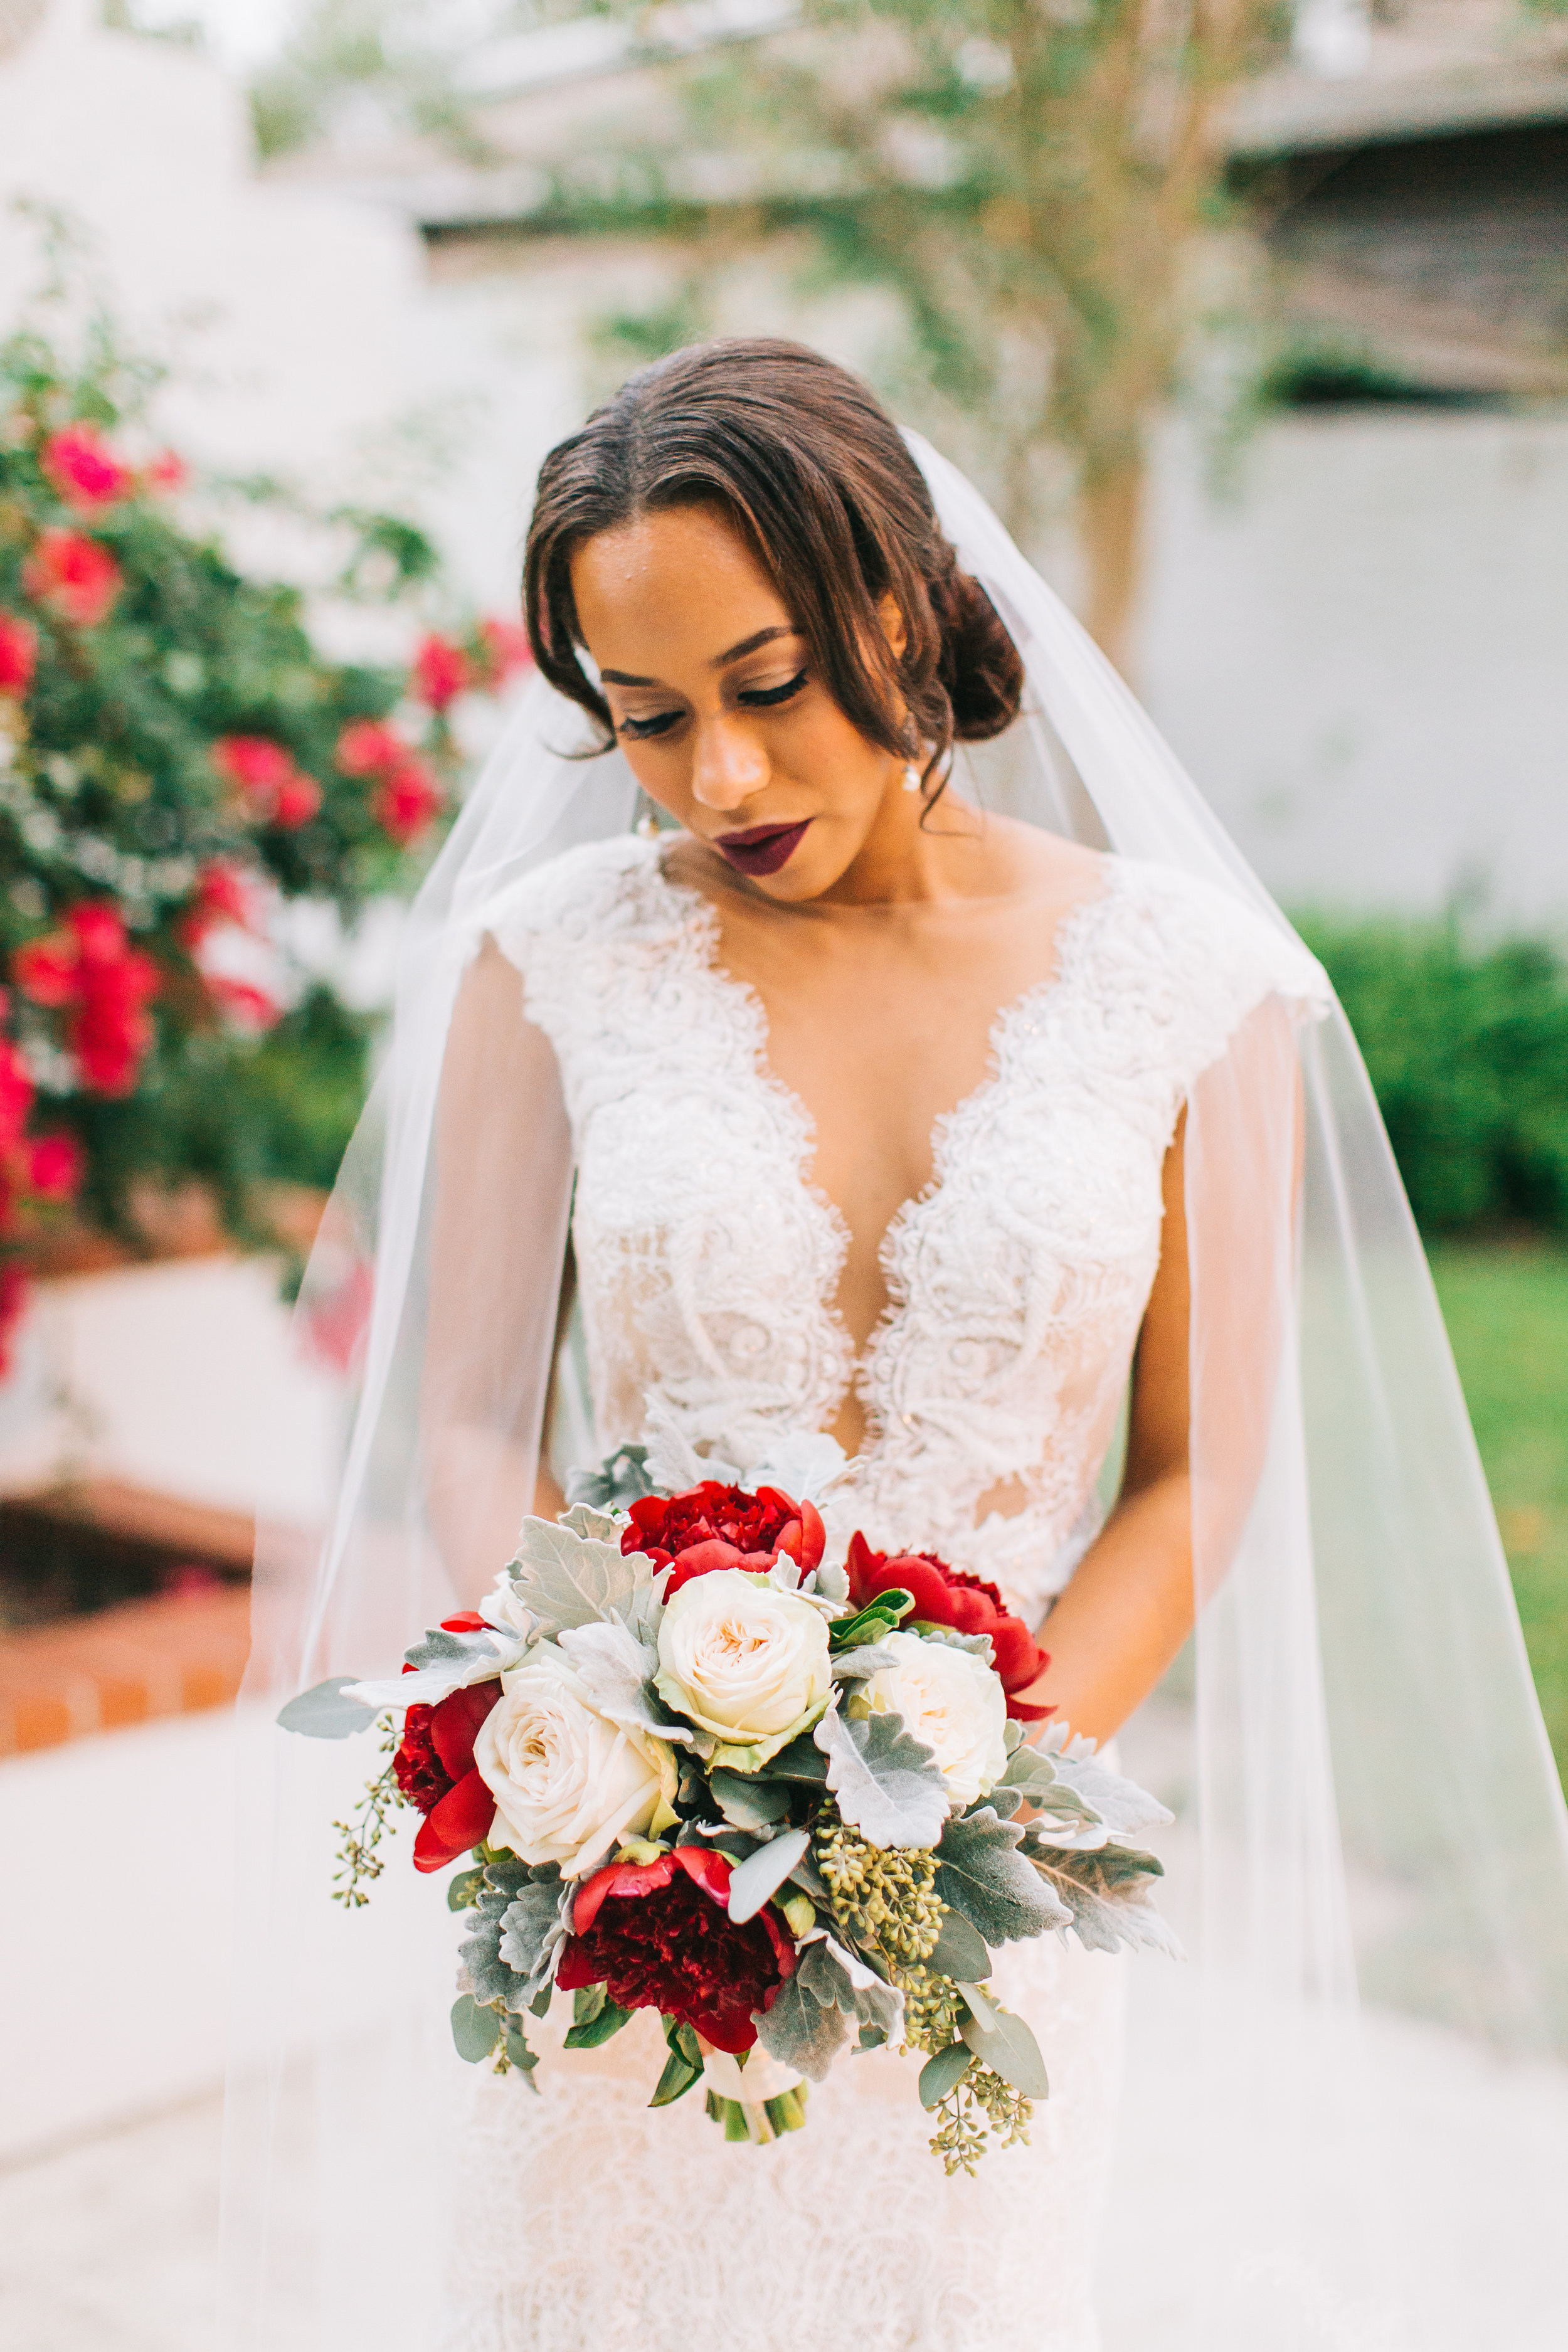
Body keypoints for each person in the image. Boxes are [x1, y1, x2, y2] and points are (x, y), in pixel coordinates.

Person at [229, 341, 1568, 2352]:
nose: (724, 781)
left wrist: (960, 1807)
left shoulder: (1195, 987)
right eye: (649, 718)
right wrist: (613, 1767)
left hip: (985, 1916)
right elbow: (469, 1419)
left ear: (902, 603)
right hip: (630, 1909)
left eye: (765, 687)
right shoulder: (544, 966)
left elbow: (1198, 1469)